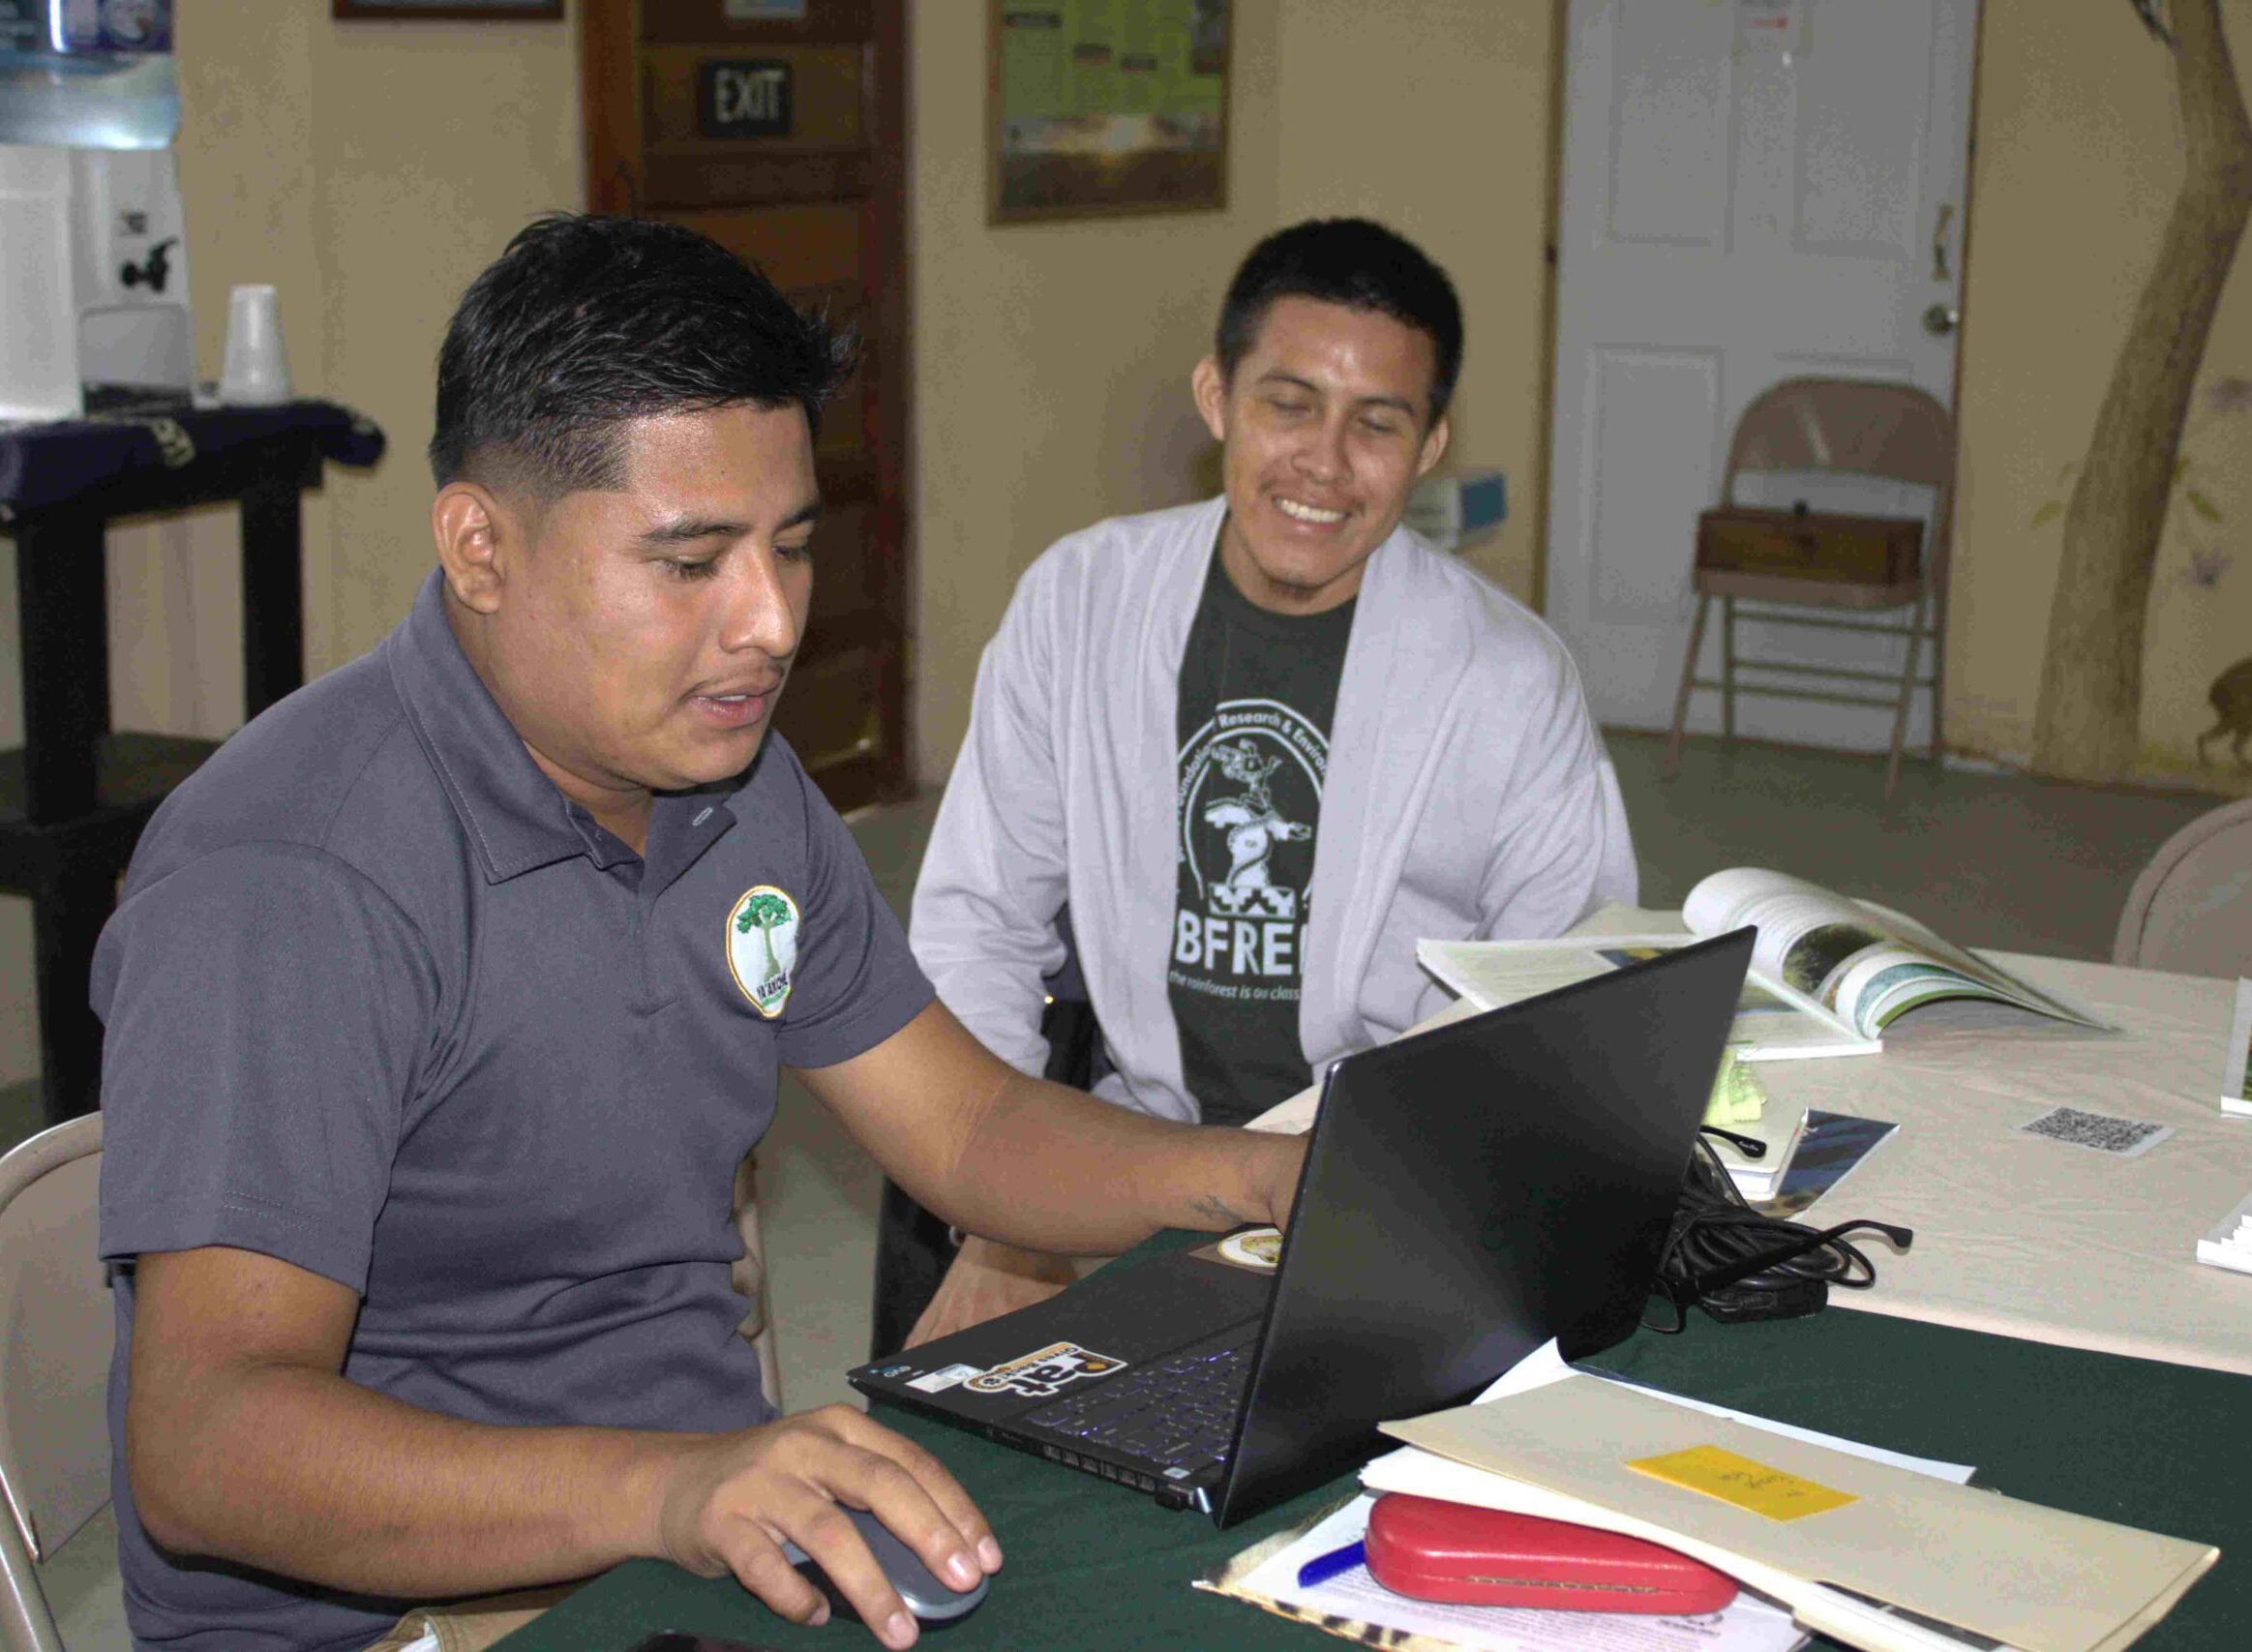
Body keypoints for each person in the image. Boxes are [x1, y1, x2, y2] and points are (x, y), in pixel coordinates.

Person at [90, 215, 1306, 1652]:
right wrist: (671, 1487)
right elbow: (206, 1447)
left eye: (790, 547)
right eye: (691, 563)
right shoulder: (293, 877)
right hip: (412, 1609)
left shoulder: (728, 783)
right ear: (481, 545)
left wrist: (1258, 1174)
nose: (772, 621)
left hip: (694, 1542)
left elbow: (966, 1127)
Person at [902, 218, 1637, 1346]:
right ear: (1217, 399)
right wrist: (1006, 1221)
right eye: (1287, 405)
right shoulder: (1082, 603)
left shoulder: (1506, 678)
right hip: (1129, 1163)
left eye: (1375, 424)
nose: (1322, 465)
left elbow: (1566, 995)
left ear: (1429, 444)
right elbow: (977, 922)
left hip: (1384, 1185)